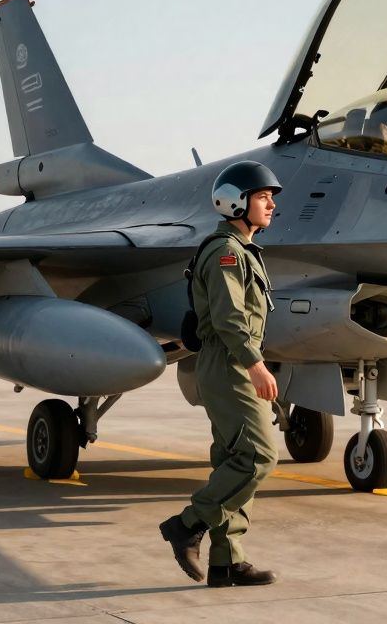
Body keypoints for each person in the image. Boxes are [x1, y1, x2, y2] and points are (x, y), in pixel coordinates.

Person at [160, 161, 282, 588]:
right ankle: (186, 524)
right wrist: (256, 364)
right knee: (259, 457)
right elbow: (231, 319)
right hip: (229, 362)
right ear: (236, 201)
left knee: (233, 459)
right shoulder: (226, 251)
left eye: (271, 197)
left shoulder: (242, 250)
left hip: (230, 361)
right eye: (263, 196)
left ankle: (226, 561)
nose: (271, 203)